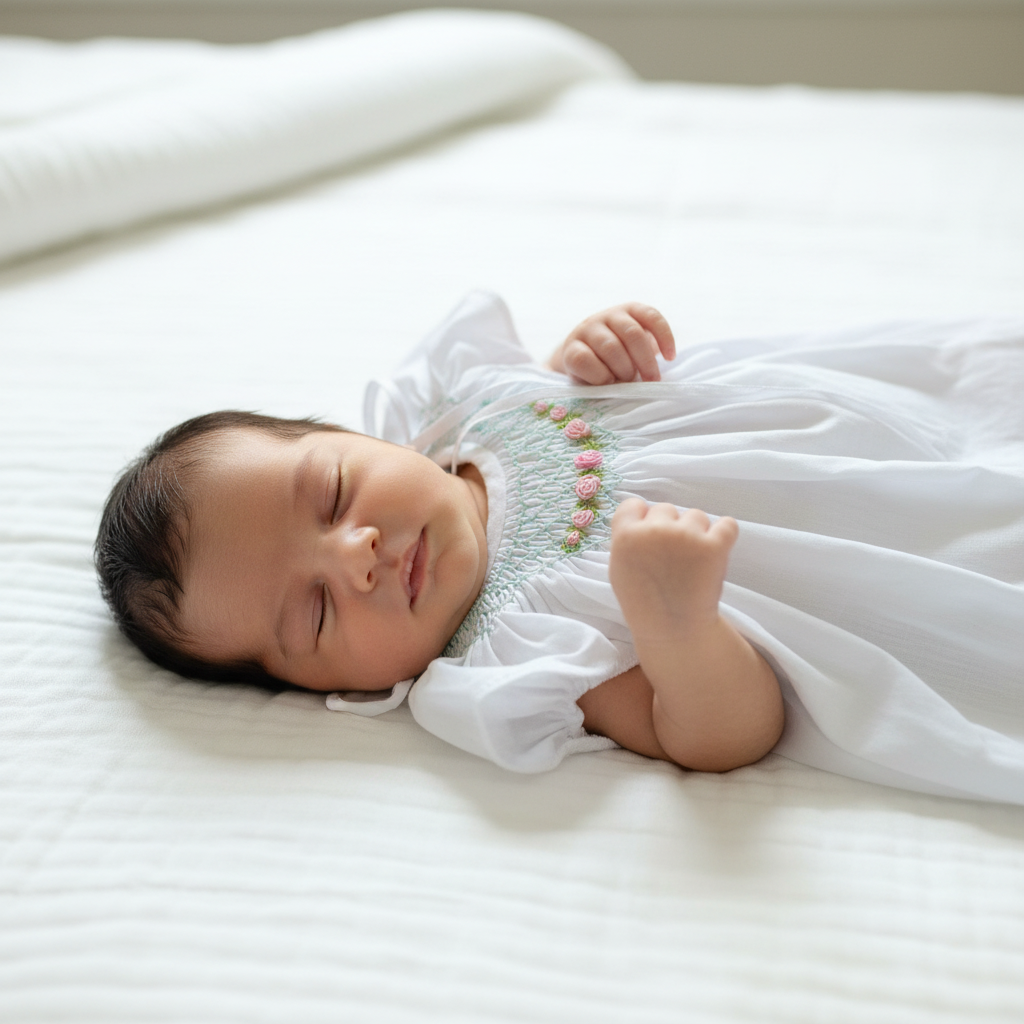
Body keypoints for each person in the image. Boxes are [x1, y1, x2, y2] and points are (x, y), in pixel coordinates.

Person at [96, 292, 1024, 803]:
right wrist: (678, 624)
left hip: (864, 425)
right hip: (883, 554)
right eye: (317, 610)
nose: (357, 557)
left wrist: (593, 350)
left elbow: (576, 381)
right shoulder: (518, 649)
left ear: (360, 436)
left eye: (334, 493)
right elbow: (715, 737)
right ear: (331, 691)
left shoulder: (466, 409)